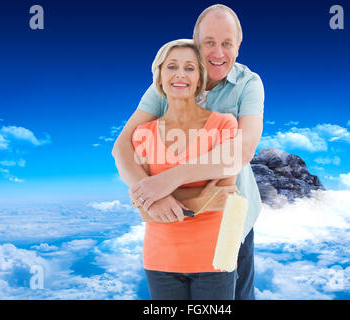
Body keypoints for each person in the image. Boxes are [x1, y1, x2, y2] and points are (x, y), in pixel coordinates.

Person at [112, 4, 264, 300]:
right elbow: (122, 147)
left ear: (238, 46)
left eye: (226, 44)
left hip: (231, 214)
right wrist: (151, 197)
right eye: (209, 43)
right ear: (196, 44)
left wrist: (169, 179)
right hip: (172, 223)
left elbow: (242, 151)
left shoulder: (249, 84)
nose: (218, 53)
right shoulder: (170, 81)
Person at [131, 38, 240, 299]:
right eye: (171, 67)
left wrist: (161, 200)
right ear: (159, 76)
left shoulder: (224, 125)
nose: (180, 74)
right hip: (161, 259)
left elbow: (225, 196)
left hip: (218, 255)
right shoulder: (143, 134)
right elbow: (142, 211)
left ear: (201, 79)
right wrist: (200, 199)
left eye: (190, 68)